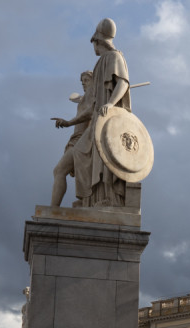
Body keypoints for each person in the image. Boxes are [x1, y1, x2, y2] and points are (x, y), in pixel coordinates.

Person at [71, 18, 132, 207]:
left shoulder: (114, 57)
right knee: (82, 153)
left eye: (94, 43)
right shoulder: (101, 64)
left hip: (109, 118)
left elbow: (123, 83)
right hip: (98, 116)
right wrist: (69, 122)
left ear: (98, 40)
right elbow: (93, 102)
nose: (93, 48)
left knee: (106, 159)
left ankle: (109, 198)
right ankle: (91, 198)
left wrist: (111, 103)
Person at [49, 71, 94, 207]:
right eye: (82, 81)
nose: (83, 83)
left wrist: (68, 122)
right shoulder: (86, 98)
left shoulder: (95, 95)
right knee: (76, 173)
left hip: (83, 140)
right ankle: (85, 200)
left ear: (94, 81)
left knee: (59, 170)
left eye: (86, 80)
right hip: (77, 139)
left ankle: (53, 209)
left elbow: (90, 112)